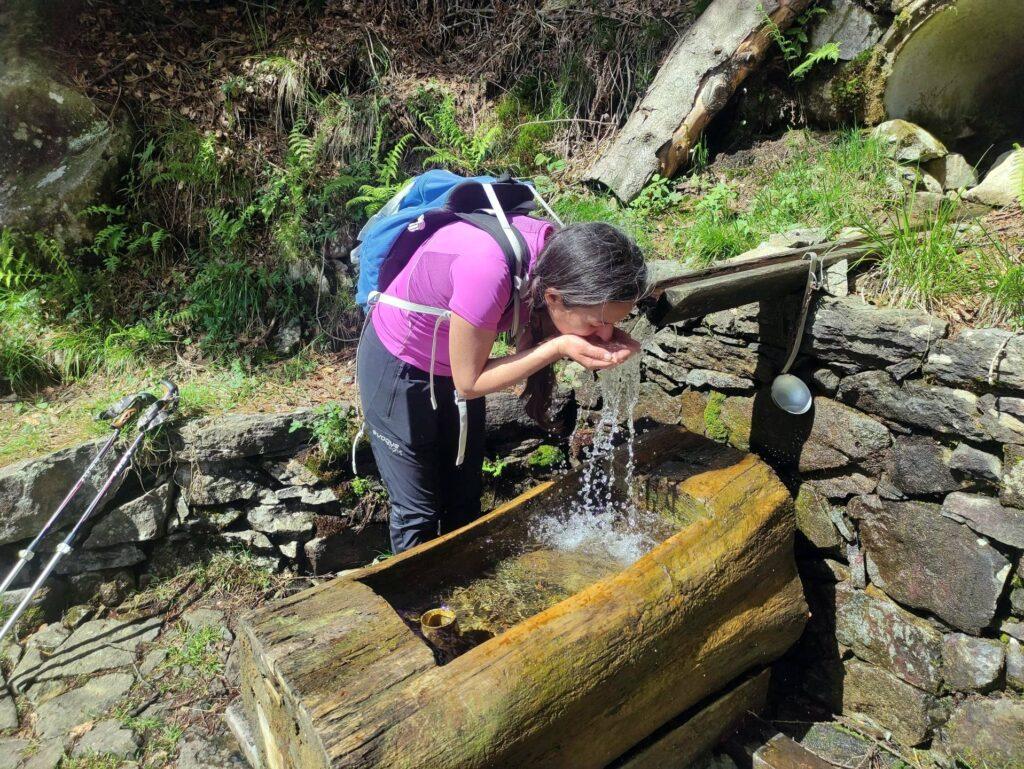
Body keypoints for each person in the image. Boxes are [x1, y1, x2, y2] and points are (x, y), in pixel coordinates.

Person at [356, 215, 647, 554]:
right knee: (418, 512)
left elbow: (524, 338)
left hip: (457, 361)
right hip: (399, 364)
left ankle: (467, 596)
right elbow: (469, 383)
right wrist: (559, 346)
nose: (608, 334)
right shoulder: (487, 269)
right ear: (554, 298)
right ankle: (415, 605)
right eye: (600, 322)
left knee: (464, 497)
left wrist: (596, 332)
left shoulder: (558, 257)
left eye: (614, 323)